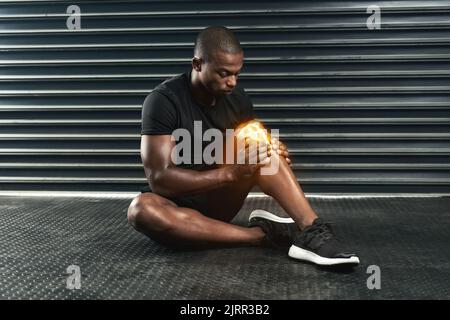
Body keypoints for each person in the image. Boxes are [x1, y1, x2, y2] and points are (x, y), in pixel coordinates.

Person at [127, 26, 359, 266]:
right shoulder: (163, 101)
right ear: (197, 64)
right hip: (176, 205)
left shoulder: (236, 97)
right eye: (224, 73)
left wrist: (272, 149)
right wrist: (230, 173)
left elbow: (252, 138)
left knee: (262, 150)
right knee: (141, 210)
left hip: (219, 201)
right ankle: (262, 235)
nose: (232, 82)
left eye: (237, 74)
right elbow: (160, 178)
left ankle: (312, 231)